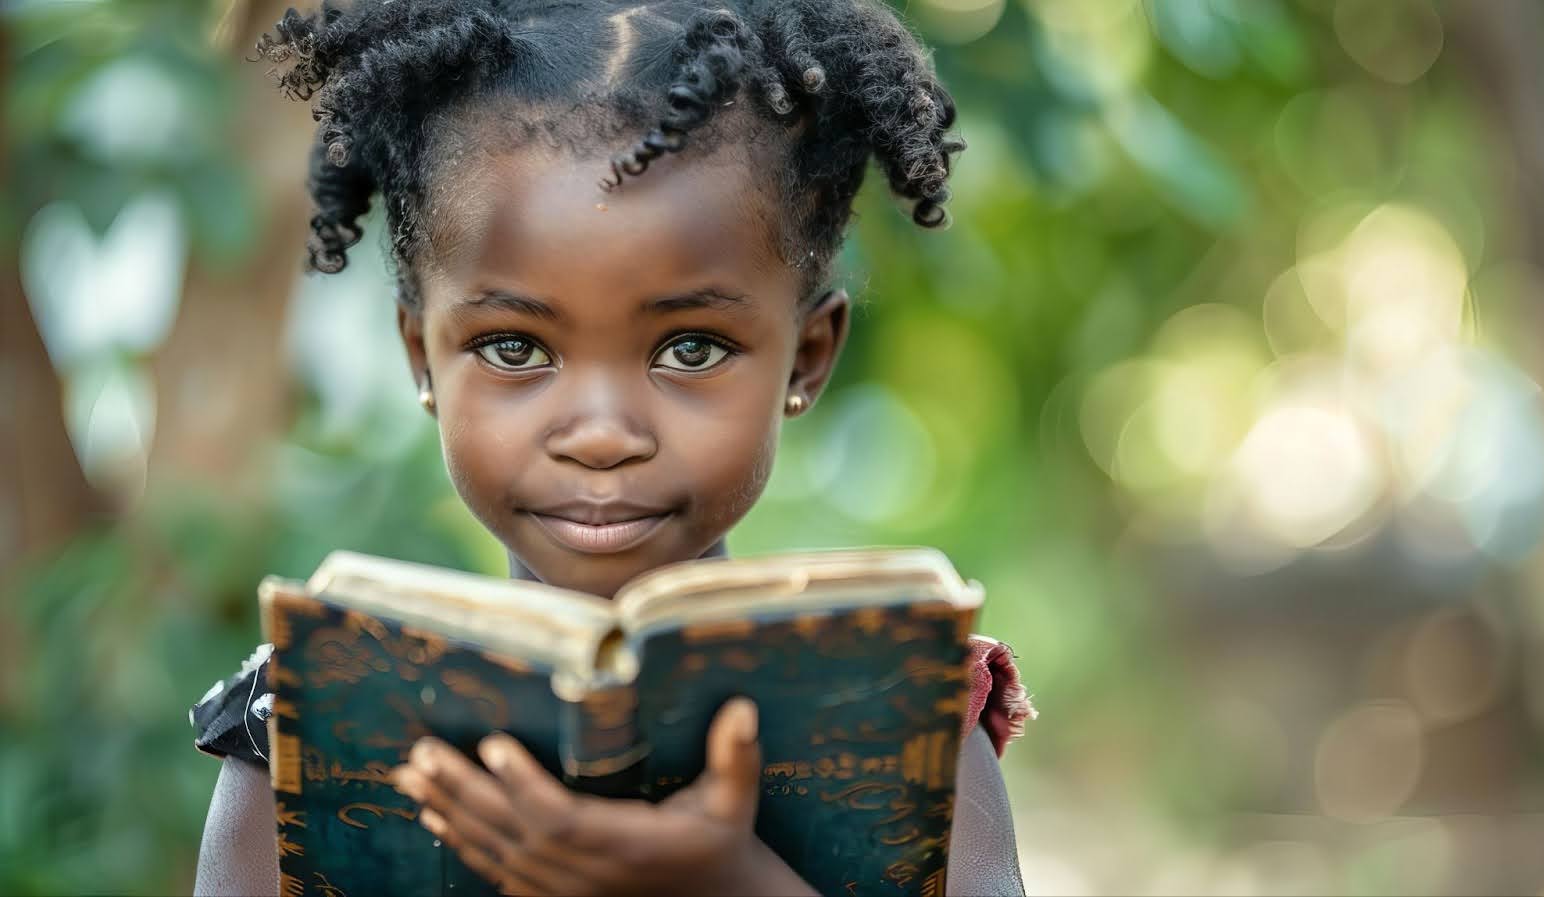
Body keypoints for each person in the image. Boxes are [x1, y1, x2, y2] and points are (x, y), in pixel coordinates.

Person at [190, 1, 1035, 893]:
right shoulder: (297, 727)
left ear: (808, 356)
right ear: (422, 355)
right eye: (514, 348)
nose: (601, 434)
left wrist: (733, 879)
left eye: (691, 349)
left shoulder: (912, 718)